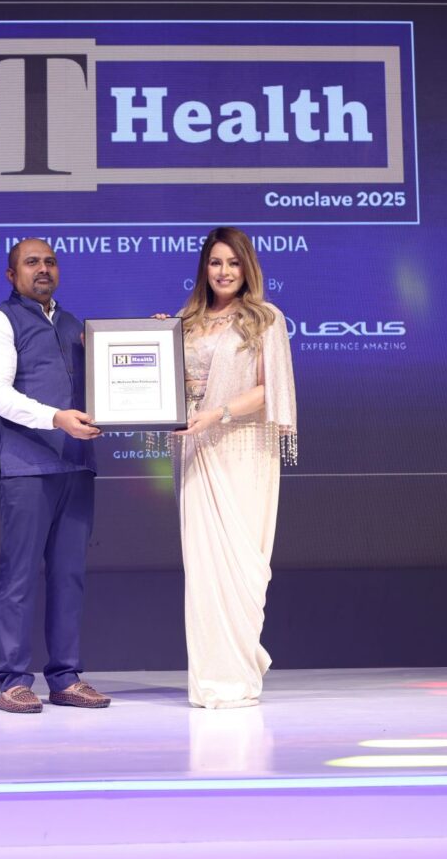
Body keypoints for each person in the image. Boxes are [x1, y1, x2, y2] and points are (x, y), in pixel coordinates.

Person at [159, 227, 297, 709]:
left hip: (242, 450)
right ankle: (213, 678)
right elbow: (168, 384)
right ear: (204, 268)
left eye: (233, 263)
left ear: (247, 268)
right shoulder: (186, 320)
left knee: (241, 565)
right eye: (216, 263)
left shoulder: (265, 319)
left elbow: (269, 390)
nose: (224, 272)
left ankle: (237, 673)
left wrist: (218, 414)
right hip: (198, 454)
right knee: (204, 568)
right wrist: (158, 343)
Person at [0, 238, 110, 714]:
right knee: (19, 576)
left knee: (69, 576)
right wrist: (56, 418)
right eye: (31, 262)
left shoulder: (77, 327)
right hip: (25, 467)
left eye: (50, 261)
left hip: (76, 464)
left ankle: (65, 676)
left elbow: (115, 378)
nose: (43, 268)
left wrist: (152, 343)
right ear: (12, 275)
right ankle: (13, 679)